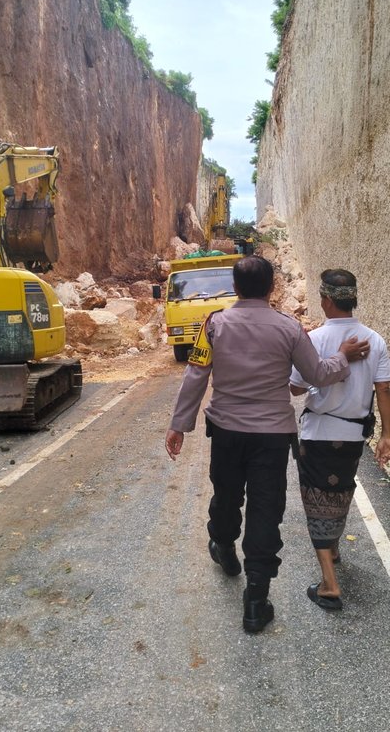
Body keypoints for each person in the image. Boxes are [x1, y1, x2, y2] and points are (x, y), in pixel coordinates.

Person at [165, 256, 370, 634]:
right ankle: (256, 602)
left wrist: (180, 424)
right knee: (265, 508)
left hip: (226, 432)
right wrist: (343, 357)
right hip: (273, 437)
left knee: (226, 493)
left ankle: (224, 547)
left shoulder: (214, 325)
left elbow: (196, 374)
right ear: (272, 287)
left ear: (236, 286)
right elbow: (317, 375)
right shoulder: (289, 329)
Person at [290, 268, 390, 611]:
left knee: (317, 501)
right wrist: (387, 434)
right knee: (342, 491)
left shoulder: (314, 340)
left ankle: (330, 585)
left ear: (326, 299)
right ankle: (332, 549)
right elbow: (384, 389)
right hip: (353, 437)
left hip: (318, 434)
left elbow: (295, 387)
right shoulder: (375, 340)